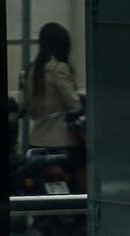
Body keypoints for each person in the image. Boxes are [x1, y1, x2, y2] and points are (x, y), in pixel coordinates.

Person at [21, 22, 84, 176]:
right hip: (62, 141)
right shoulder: (59, 68)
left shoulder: (31, 70)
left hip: (37, 139)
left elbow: (27, 107)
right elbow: (74, 104)